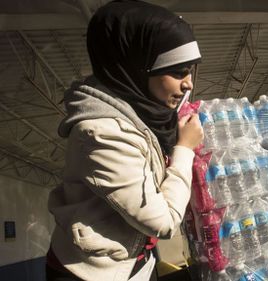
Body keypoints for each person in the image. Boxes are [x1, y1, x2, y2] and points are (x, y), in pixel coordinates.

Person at [46, 1, 203, 280]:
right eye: (178, 72)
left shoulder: (142, 114)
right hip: (92, 274)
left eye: (190, 71)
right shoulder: (101, 134)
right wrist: (184, 149)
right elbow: (163, 222)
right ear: (138, 68)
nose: (188, 83)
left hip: (138, 262)